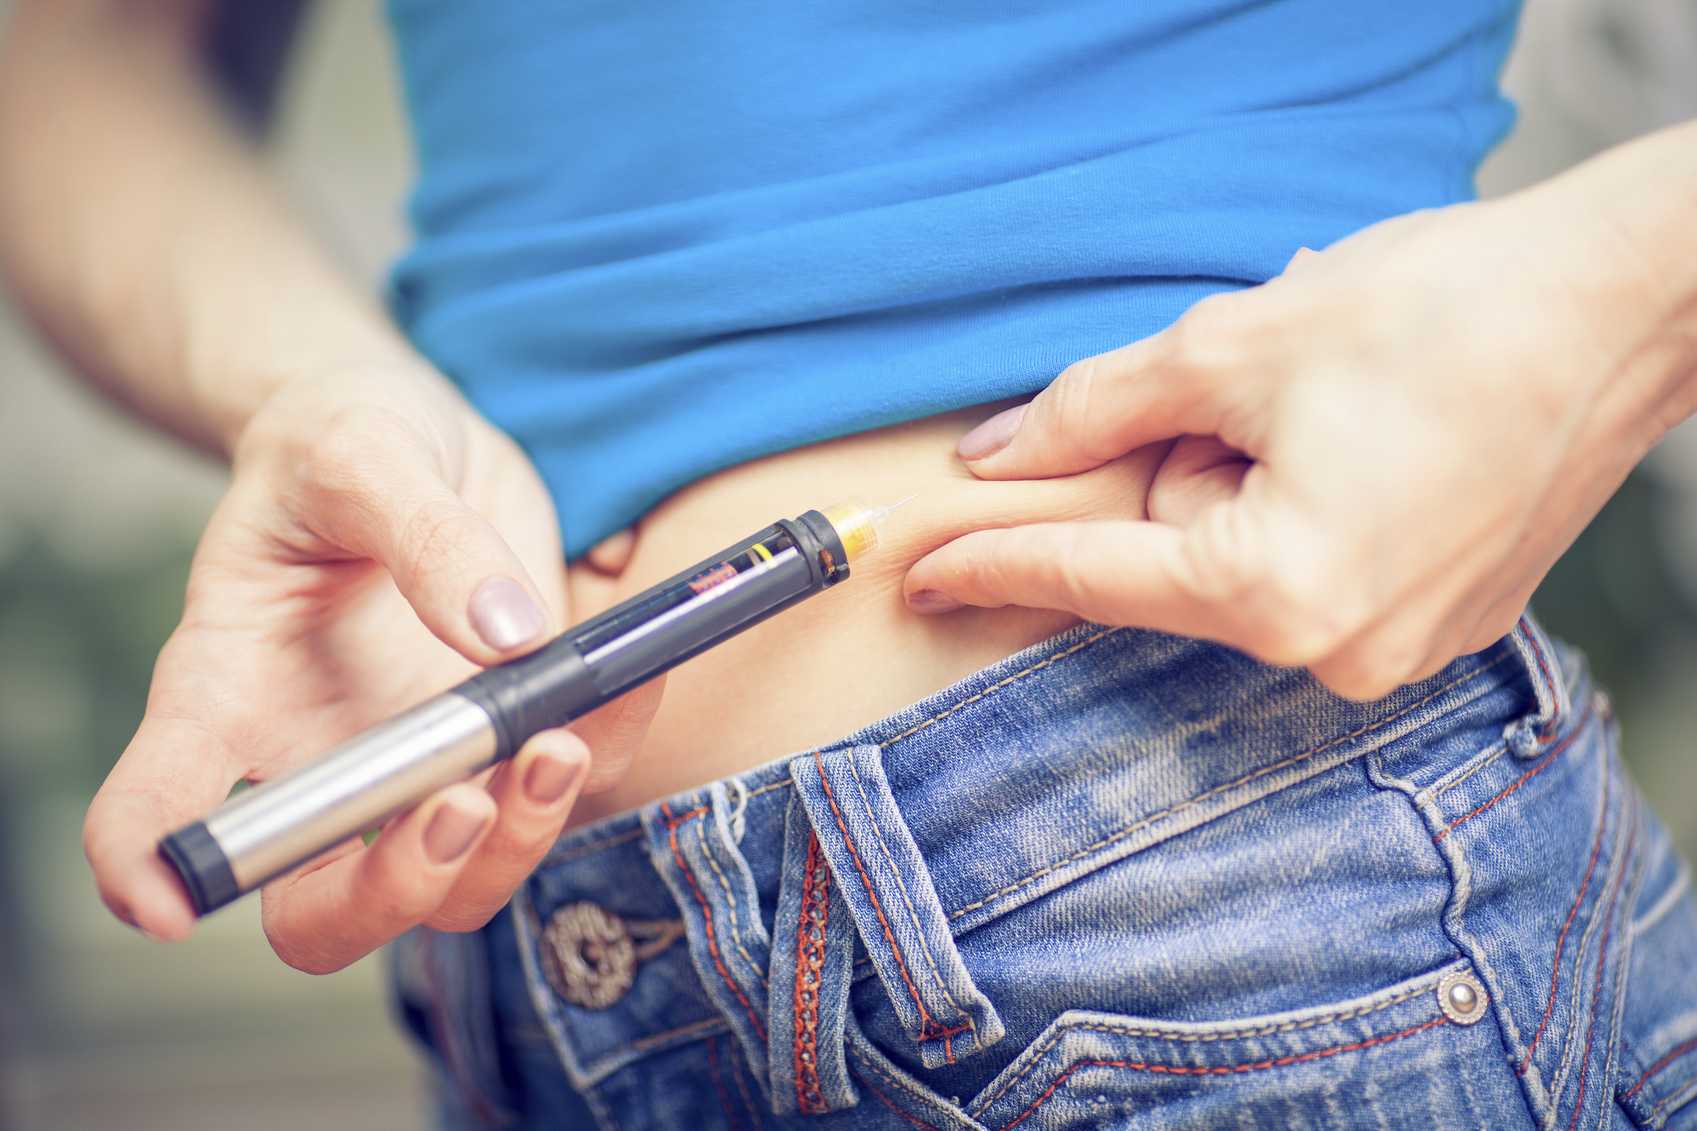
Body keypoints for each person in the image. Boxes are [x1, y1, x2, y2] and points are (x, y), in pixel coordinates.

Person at [2, 1, 1694, 1127]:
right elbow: (73, 63)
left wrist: (1623, 288)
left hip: (1218, 863)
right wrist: (305, 380)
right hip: (518, 964)